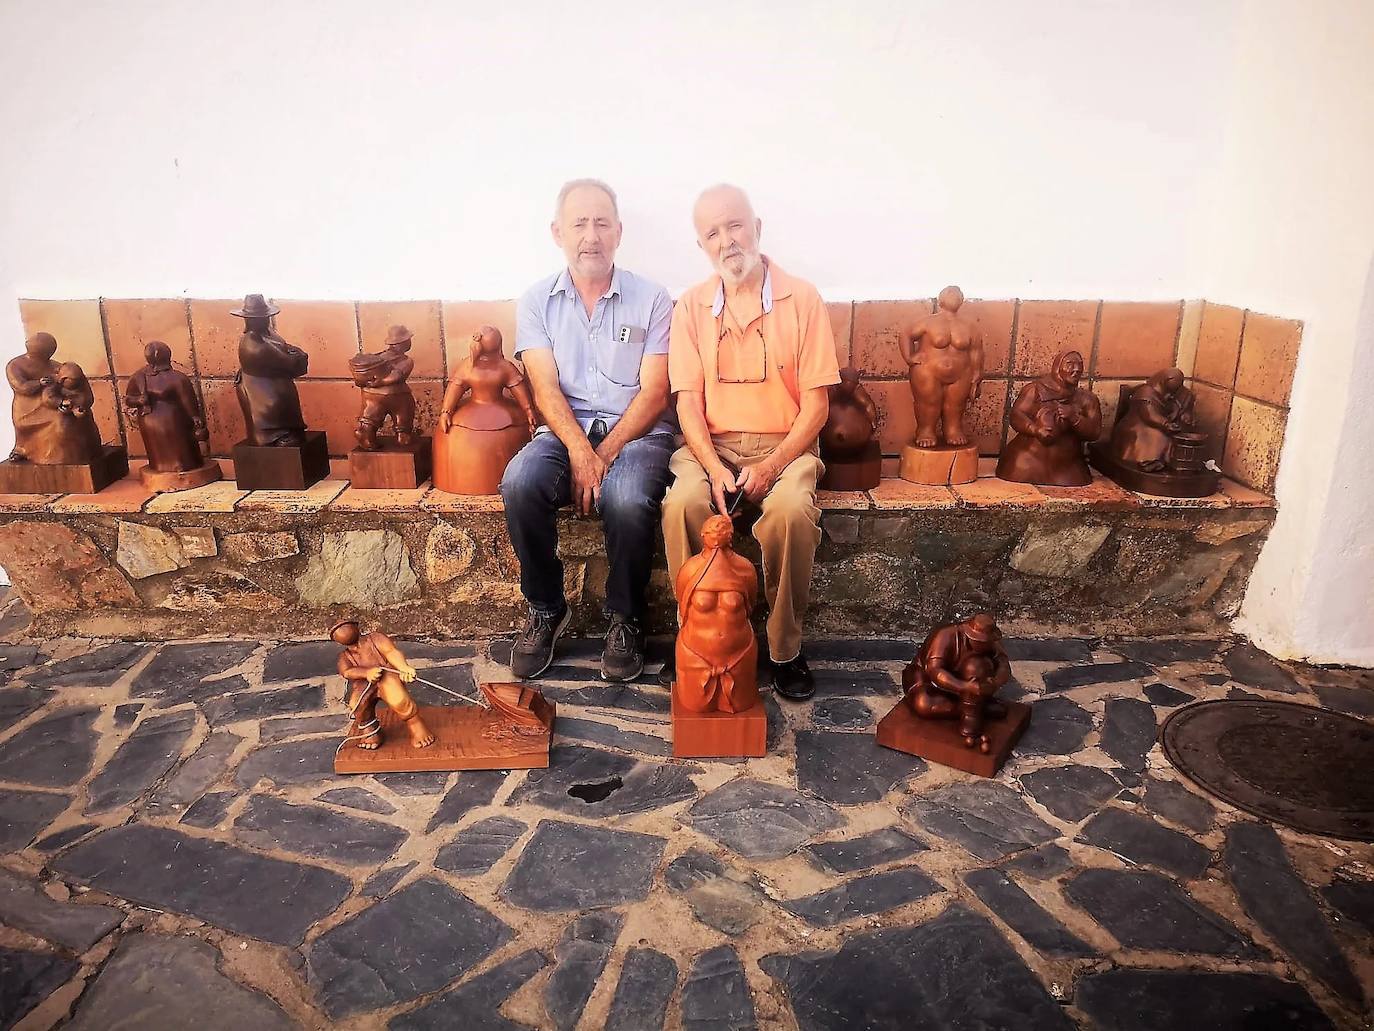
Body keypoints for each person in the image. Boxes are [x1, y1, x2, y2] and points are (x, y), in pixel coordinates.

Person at [661, 184, 840, 701]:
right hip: (710, 447)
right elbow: (687, 404)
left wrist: (772, 465)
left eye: (735, 225)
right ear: (702, 245)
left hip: (786, 444)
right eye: (712, 233)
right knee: (682, 505)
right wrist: (714, 468)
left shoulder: (801, 298)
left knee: (789, 512)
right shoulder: (691, 307)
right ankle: (694, 639)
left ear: (757, 227)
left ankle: (785, 649)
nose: (727, 240)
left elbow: (818, 407)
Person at [500, 179, 675, 681]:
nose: (591, 236)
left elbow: (655, 392)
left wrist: (606, 451)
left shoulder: (653, 299)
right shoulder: (536, 302)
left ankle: (626, 619)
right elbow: (545, 389)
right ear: (558, 232)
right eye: (579, 224)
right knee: (520, 483)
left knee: (624, 497)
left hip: (639, 433)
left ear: (619, 232)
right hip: (564, 430)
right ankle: (546, 608)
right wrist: (580, 450)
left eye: (601, 223)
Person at [996, 350, 1102, 486]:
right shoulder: (1034, 390)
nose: (1076, 369)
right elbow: (1016, 415)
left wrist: (1075, 417)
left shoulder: (1087, 399)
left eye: (1079, 365)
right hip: (1027, 462)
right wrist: (1035, 429)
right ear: (1057, 367)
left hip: (1068, 466)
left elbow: (1094, 432)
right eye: (1069, 364)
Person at [899, 286, 984, 448]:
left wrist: (977, 376)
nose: (953, 295)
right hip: (928, 370)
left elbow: (976, 352)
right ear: (940, 300)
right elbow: (906, 334)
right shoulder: (927, 322)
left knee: (956, 404)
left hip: (961, 373)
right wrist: (909, 357)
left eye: (956, 293)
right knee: (928, 402)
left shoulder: (970, 327)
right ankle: (925, 430)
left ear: (962, 300)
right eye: (949, 292)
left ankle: (953, 430)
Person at [331, 620, 434, 749]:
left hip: (387, 675)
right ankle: (371, 732)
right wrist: (366, 673)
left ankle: (416, 725)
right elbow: (347, 672)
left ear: (356, 626)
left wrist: (403, 667)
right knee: (357, 704)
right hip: (365, 683)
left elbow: (391, 652)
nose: (342, 630)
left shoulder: (376, 638)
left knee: (399, 699)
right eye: (337, 630)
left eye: (344, 625)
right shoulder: (344, 657)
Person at [6, 332, 102, 464]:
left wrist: (74, 402)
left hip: (53, 402)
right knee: (60, 420)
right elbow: (21, 387)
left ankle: (84, 452)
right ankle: (25, 449)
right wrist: (39, 383)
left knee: (78, 416)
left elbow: (67, 384)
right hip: (28, 408)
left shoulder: (55, 366)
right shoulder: (15, 365)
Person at [232, 294, 309, 447]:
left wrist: (294, 354)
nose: (263, 320)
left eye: (264, 317)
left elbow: (290, 353)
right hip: (263, 394)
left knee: (286, 417)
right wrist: (295, 354)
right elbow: (291, 363)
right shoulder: (252, 345)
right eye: (257, 318)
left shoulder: (269, 334)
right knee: (270, 416)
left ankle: (284, 430)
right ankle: (272, 435)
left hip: (278, 388)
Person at [125, 341, 209, 473]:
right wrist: (139, 400)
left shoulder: (177, 378)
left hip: (174, 422)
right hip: (150, 424)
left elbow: (188, 400)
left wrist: (194, 417)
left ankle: (184, 465)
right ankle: (161, 466)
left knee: (181, 453)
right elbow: (129, 399)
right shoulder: (139, 377)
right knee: (158, 452)